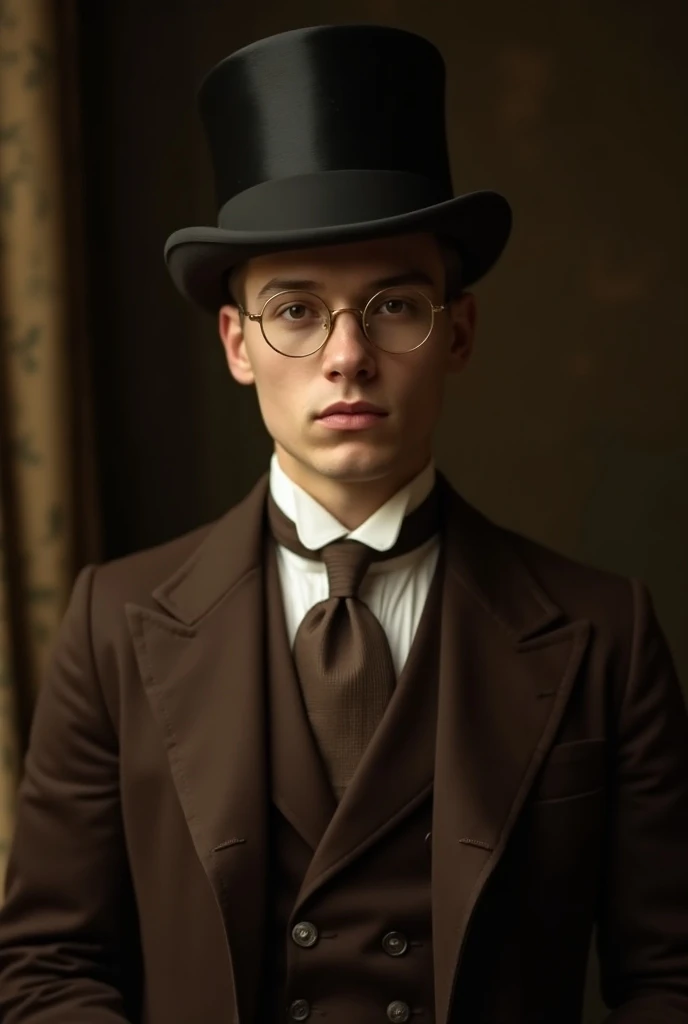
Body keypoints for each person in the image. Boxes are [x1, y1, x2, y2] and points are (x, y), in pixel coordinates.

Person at [0, 23, 687, 1024]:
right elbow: (47, 967)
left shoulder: (605, 635)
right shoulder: (114, 622)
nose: (347, 355)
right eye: (295, 308)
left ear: (457, 331)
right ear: (236, 342)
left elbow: (671, 975)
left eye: (394, 305)